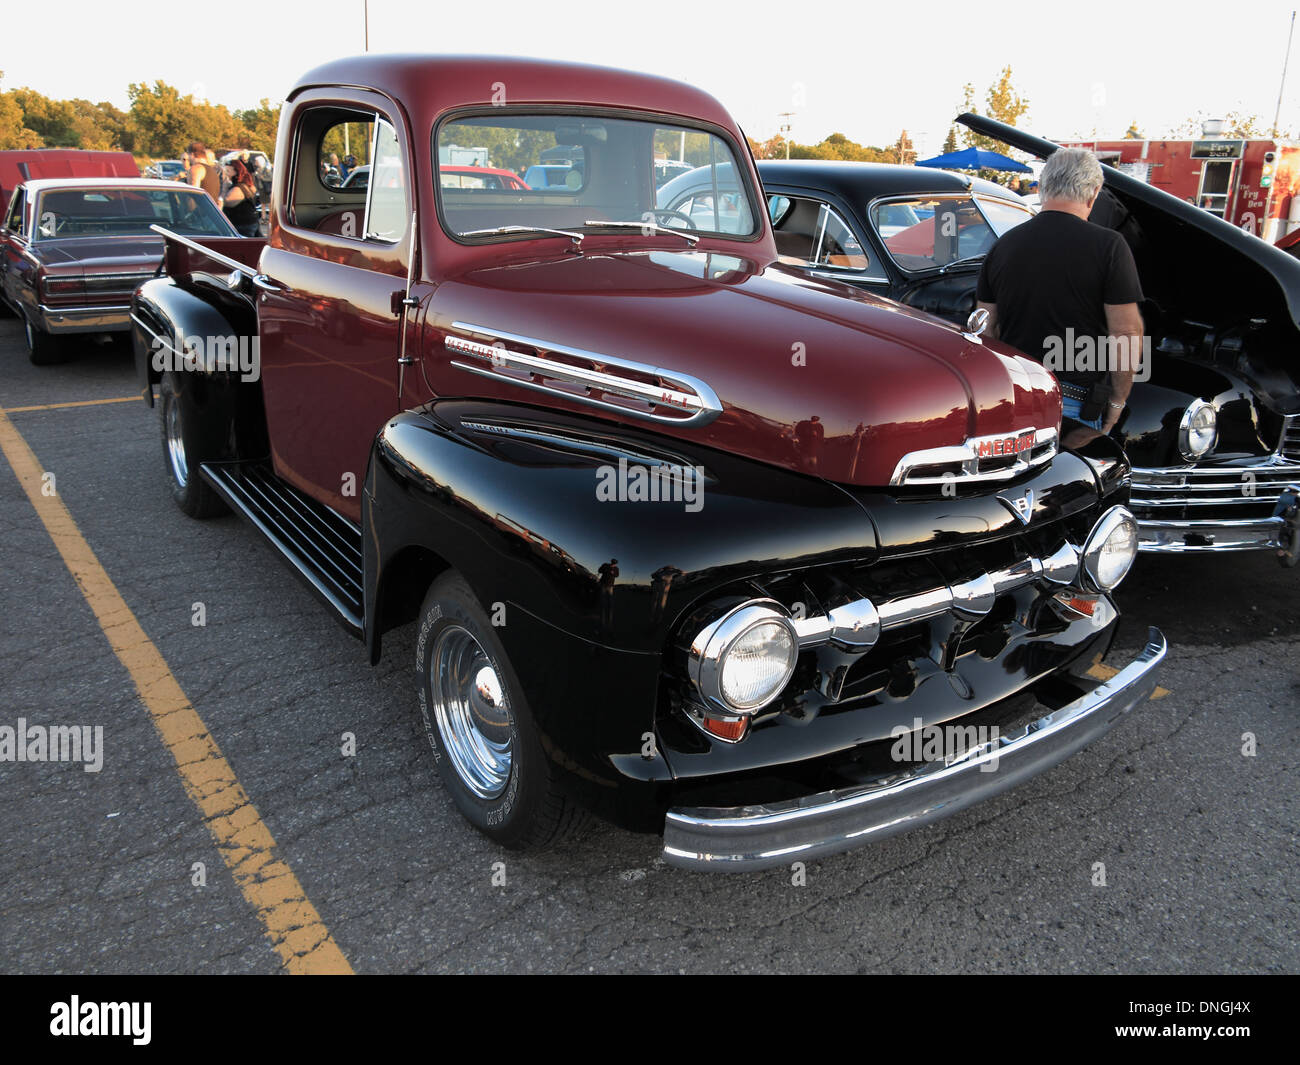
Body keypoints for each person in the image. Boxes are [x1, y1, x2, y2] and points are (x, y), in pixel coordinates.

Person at [975, 148, 1143, 432]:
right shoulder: (1110, 246)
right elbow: (1126, 333)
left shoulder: (1004, 245)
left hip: (1017, 393)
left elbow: (984, 328)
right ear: (1094, 193)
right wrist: (1116, 402)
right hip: (1074, 404)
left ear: (1043, 188)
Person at [221, 159, 260, 236]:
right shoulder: (245, 185)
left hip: (242, 224)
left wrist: (224, 188)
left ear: (236, 172)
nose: (224, 174)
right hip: (247, 223)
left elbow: (226, 203)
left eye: (227, 171)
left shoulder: (239, 187)